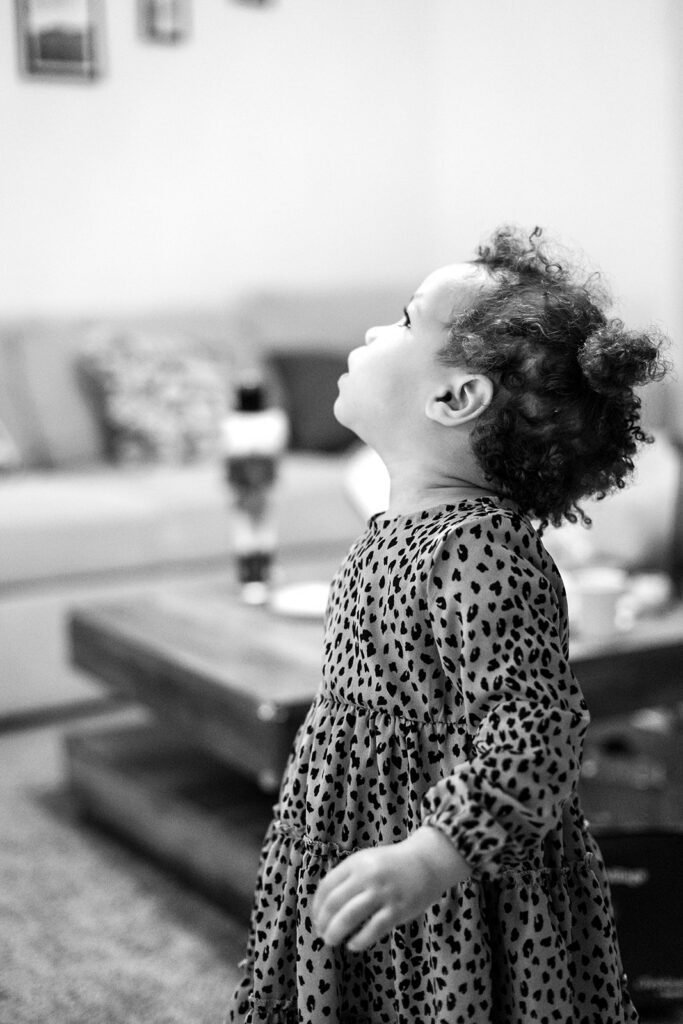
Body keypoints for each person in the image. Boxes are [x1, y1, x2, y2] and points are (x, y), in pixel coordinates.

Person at [227, 226, 668, 1024]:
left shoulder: (480, 547)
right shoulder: (397, 530)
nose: (373, 331)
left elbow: (535, 733)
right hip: (365, 827)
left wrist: (431, 858)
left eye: (403, 321)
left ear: (455, 398)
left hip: (453, 888)